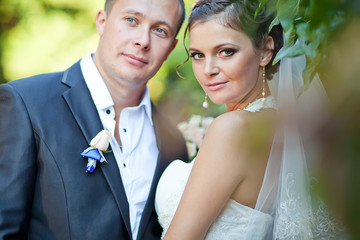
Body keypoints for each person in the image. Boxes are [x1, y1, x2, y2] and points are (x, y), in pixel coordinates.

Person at [0, 0, 189, 239]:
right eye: (131, 20)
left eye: (160, 30)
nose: (143, 40)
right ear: (102, 21)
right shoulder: (25, 103)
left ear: (171, 48)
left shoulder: (174, 141)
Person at [155, 0, 342, 239]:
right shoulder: (281, 127)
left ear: (265, 50)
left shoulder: (231, 129)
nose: (208, 69)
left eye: (226, 51)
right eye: (198, 55)